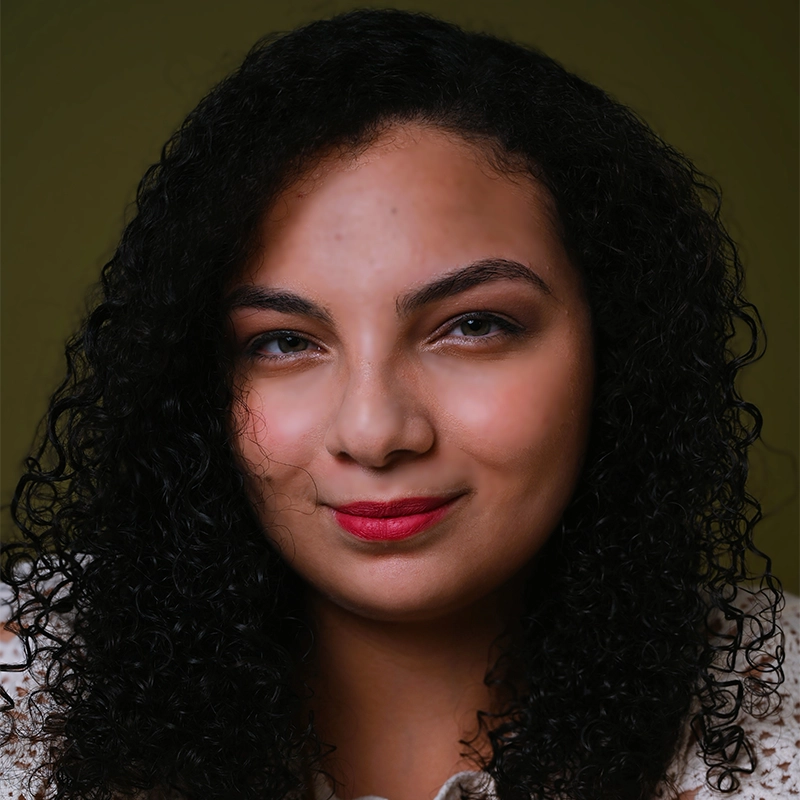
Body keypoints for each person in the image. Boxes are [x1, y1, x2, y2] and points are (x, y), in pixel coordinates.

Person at [1, 8, 797, 800]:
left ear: (618, 346)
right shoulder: (22, 699)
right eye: (284, 341)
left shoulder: (780, 720)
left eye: (474, 326)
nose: (374, 431)